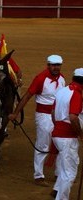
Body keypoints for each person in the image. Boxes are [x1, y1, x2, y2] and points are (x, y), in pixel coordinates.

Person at [9, 54, 65, 186]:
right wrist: (16, 113)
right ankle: (39, 175)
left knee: (58, 144)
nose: (56, 68)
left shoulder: (62, 78)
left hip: (58, 116)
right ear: (48, 65)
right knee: (43, 145)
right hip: (44, 116)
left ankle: (58, 174)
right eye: (54, 65)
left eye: (58, 65)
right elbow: (27, 96)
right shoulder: (41, 79)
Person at [50, 68, 83, 200]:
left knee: (65, 167)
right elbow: (73, 117)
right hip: (67, 137)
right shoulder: (76, 94)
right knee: (69, 172)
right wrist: (80, 134)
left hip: (57, 134)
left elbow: (52, 113)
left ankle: (57, 190)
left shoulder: (62, 91)